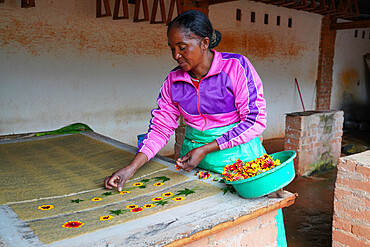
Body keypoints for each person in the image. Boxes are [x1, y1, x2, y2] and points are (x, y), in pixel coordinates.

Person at [104, 10, 267, 192]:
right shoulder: (174, 81)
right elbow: (160, 128)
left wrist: (205, 149)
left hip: (241, 165)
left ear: (204, 43)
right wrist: (131, 169)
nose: (176, 55)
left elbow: (255, 121)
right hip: (195, 165)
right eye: (172, 49)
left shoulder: (236, 67)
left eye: (182, 48)